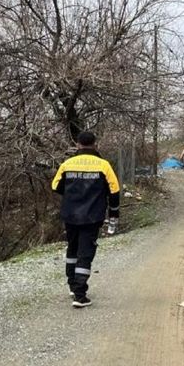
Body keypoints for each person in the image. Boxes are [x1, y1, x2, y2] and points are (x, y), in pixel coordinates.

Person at [51, 131, 121, 308]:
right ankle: (80, 295)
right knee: (85, 253)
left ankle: (72, 285)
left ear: (77, 143)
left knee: (72, 249)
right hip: (92, 215)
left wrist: (73, 195)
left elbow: (56, 186)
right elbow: (114, 191)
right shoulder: (103, 165)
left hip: (71, 214)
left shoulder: (67, 164)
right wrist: (113, 215)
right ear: (95, 144)